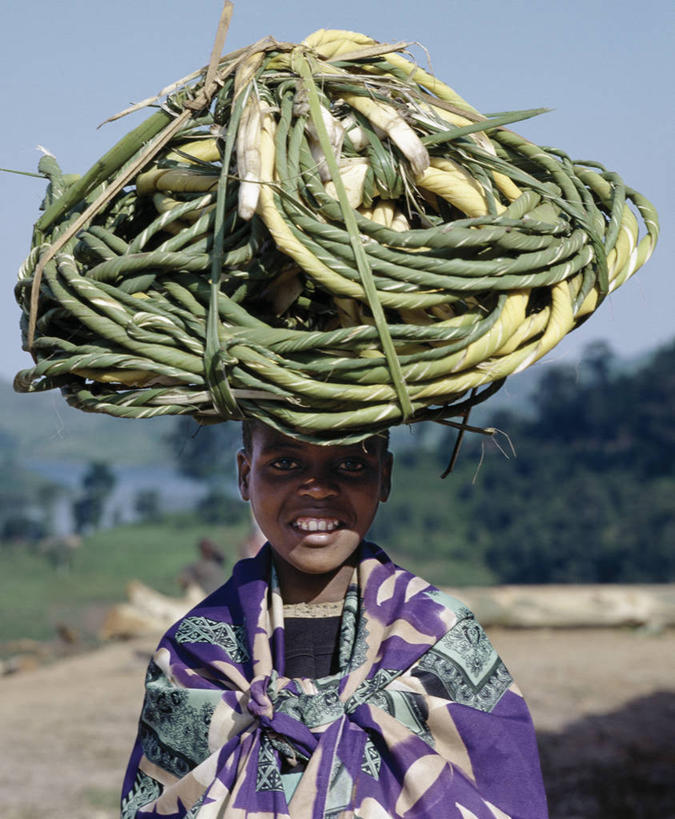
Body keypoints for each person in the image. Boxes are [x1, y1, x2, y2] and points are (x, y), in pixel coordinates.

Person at [121, 420, 548, 818]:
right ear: (244, 474)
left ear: (385, 476)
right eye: (285, 463)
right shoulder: (195, 651)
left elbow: (502, 791)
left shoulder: (442, 636)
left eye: (351, 464)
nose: (318, 489)